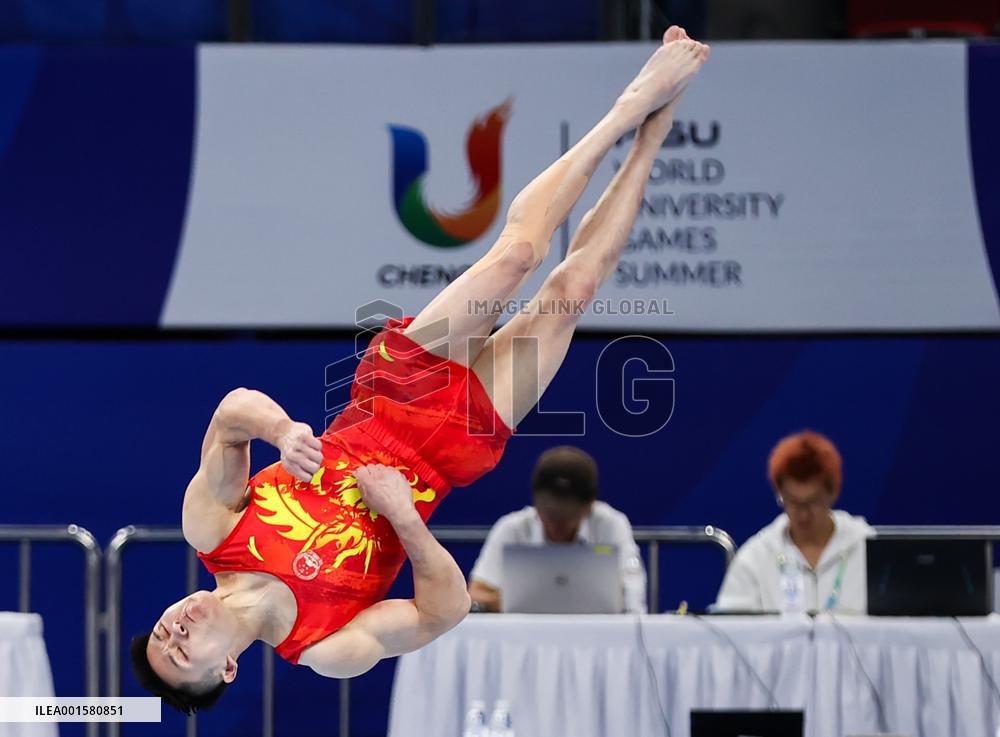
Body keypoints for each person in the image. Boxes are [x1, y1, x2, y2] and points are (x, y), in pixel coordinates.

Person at [131, 28, 710, 714]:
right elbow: (446, 610)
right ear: (226, 668)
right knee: (571, 291)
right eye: (177, 654)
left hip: (392, 394)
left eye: (160, 630)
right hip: (450, 452)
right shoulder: (327, 646)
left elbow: (231, 413)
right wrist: (405, 519)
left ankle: (628, 107)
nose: (173, 631)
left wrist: (283, 431)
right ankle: (652, 136)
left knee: (515, 259)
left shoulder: (209, 527)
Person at [468, 445, 646, 613]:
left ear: (588, 507)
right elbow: (475, 593)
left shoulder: (611, 525)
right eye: (550, 514)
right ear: (536, 502)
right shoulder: (512, 528)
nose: (556, 524)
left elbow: (633, 594)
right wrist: (518, 602)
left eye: (567, 516)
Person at [714, 430, 874, 614]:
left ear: (833, 493)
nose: (804, 514)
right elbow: (731, 630)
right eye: (792, 502)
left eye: (813, 502)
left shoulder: (866, 547)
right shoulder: (756, 557)